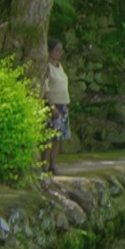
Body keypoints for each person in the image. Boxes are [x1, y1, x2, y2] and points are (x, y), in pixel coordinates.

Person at [43, 38, 70, 175]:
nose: (60, 52)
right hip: (53, 106)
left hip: (63, 105)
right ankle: (43, 164)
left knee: (58, 138)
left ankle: (53, 164)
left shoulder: (60, 66)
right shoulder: (47, 67)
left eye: (61, 50)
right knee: (50, 136)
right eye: (57, 50)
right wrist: (51, 106)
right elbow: (45, 87)